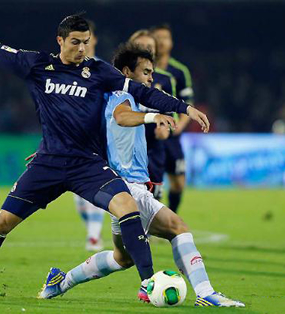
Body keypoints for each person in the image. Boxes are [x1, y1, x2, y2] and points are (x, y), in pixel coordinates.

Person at [0, 14, 210, 300]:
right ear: (60, 40)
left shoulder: (98, 71)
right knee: (1, 223)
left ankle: (149, 283)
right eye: (75, 42)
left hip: (88, 164)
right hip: (48, 164)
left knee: (127, 206)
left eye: (86, 42)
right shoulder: (37, 65)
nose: (82, 49)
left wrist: (183, 108)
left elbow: (139, 91)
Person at [38, 43, 244, 307]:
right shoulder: (119, 96)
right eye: (146, 72)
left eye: (152, 72)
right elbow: (122, 116)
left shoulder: (124, 99)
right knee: (177, 228)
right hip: (127, 187)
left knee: (121, 258)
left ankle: (61, 281)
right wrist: (151, 117)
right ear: (126, 71)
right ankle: (205, 293)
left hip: (119, 189)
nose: (150, 78)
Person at [150, 24, 194, 212]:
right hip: (150, 133)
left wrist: (178, 127)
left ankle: (171, 216)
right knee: (153, 184)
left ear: (171, 42)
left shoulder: (179, 71)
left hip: (172, 135)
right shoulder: (144, 69)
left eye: (165, 37)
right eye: (157, 37)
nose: (161, 41)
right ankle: (151, 223)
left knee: (178, 183)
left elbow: (188, 104)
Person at [128, 30, 176, 199]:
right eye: (140, 46)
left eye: (149, 46)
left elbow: (169, 112)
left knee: (154, 201)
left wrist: (166, 128)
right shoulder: (121, 78)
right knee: (127, 204)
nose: (145, 50)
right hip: (128, 148)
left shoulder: (165, 79)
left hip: (154, 148)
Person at [72, 20, 106, 252]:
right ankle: (93, 233)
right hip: (72, 138)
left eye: (88, 38)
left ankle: (94, 236)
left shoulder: (103, 69)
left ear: (94, 40)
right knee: (78, 198)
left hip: (99, 138)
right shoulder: (69, 68)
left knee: (93, 187)